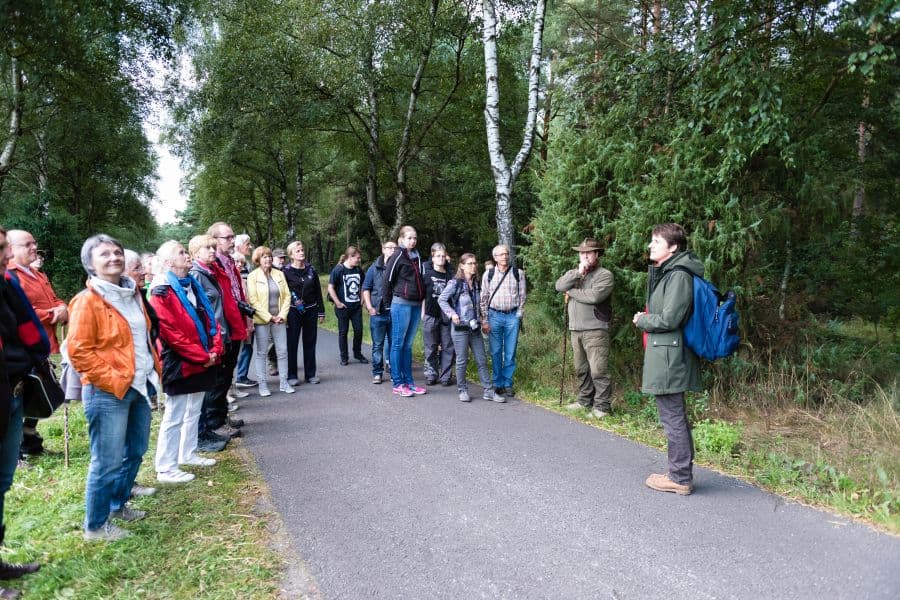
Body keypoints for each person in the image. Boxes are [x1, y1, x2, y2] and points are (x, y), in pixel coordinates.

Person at [68, 234, 162, 541]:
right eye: (105, 254)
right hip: (108, 392)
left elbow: (144, 339)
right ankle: (95, 526)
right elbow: (78, 351)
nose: (114, 258)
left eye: (117, 252)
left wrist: (150, 372)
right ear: (91, 264)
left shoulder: (132, 292)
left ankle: (118, 504)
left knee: (135, 450)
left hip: (139, 386)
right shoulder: (87, 301)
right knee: (106, 461)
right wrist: (115, 380)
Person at [632, 223, 703, 495]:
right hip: (667, 352)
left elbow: (671, 318)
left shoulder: (679, 276)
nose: (650, 246)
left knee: (673, 416)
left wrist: (643, 320)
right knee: (675, 415)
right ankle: (678, 471)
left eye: (656, 242)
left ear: (673, 247)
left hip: (670, 355)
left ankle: (680, 477)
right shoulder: (671, 273)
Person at [149, 241, 224, 484]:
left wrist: (214, 348)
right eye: (181, 252)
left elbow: (209, 318)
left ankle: (187, 453)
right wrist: (204, 356)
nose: (186, 255)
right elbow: (171, 334)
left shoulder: (192, 284)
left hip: (203, 357)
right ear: (169, 262)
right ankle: (166, 467)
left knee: (194, 410)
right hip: (179, 361)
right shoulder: (162, 291)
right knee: (175, 414)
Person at [0, 226, 47, 589]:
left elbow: (29, 331)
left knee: (1, 481)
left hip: (13, 391)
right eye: (1, 249)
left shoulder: (6, 285)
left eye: (4, 248)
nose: (5, 256)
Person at [6, 230, 68, 458]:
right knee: (16, 397)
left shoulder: (36, 274)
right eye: (27, 244)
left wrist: (62, 307)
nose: (34, 247)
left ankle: (30, 441)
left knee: (39, 392)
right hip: (20, 348)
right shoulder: (9, 276)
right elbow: (18, 311)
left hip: (43, 345)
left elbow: (54, 299)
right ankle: (14, 453)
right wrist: (52, 314)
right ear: (11, 249)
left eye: (34, 243)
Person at [199, 222, 251, 450]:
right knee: (219, 377)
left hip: (234, 322)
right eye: (228, 237)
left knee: (227, 374)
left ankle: (221, 417)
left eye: (232, 236)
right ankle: (215, 422)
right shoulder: (211, 266)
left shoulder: (229, 261)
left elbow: (236, 292)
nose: (232, 240)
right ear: (215, 240)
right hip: (223, 327)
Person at [555, 238, 615, 418]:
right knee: (581, 368)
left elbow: (594, 297)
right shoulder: (575, 273)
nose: (585, 256)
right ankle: (584, 401)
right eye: (582, 253)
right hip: (576, 329)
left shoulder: (604, 275)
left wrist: (571, 292)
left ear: (597, 254)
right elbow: (559, 286)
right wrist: (577, 273)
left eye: (589, 252)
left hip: (595, 329)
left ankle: (603, 407)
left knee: (598, 369)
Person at [439, 253, 503, 403]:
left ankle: (488, 390)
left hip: (474, 328)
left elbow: (478, 304)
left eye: (474, 263)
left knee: (481, 359)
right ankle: (462, 390)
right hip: (460, 328)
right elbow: (442, 299)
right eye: (469, 263)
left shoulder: (476, 283)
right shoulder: (455, 283)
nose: (473, 266)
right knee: (462, 360)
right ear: (462, 265)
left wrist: (482, 318)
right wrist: (452, 314)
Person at [383, 226, 426, 397]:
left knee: (407, 346)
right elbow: (387, 280)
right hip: (401, 304)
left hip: (416, 304)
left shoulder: (417, 256)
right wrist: (387, 304)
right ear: (401, 239)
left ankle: (409, 382)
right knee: (398, 344)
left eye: (414, 238)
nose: (412, 241)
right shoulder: (397, 255)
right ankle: (397, 383)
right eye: (409, 238)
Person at [480, 244, 526, 398]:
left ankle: (507, 383)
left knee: (510, 352)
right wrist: (485, 320)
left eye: (506, 254)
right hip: (494, 316)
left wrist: (519, 314)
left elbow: (522, 296)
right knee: (496, 351)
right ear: (495, 258)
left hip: (512, 316)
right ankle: (497, 382)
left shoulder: (518, 273)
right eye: (500, 255)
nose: (504, 257)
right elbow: (483, 298)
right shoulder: (488, 274)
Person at [247, 246, 293, 396]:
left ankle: (284, 382)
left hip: (280, 319)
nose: (268, 259)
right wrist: (268, 317)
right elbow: (253, 300)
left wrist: (282, 315)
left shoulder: (279, 274)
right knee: (261, 352)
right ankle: (262, 384)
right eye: (264, 257)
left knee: (282, 351)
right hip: (262, 320)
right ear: (258, 260)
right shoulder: (253, 276)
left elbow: (287, 296)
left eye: (269, 256)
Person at [283, 241, 325, 386]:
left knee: (310, 342)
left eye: (302, 250)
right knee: (292, 343)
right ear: (291, 255)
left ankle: (310, 374)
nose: (301, 252)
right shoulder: (285, 271)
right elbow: (283, 293)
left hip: (311, 310)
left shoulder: (311, 270)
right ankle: (292, 375)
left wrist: (321, 311)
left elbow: (318, 291)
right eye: (298, 251)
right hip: (293, 311)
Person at [328, 247, 367, 366]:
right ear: (350, 257)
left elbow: (363, 286)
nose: (359, 260)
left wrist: (362, 300)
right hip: (343, 308)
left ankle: (357, 353)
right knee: (343, 332)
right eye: (357, 258)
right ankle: (344, 357)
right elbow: (330, 287)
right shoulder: (338, 270)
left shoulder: (358, 270)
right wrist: (338, 303)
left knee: (359, 331)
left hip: (356, 307)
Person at [363, 240, 395, 384]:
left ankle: (395, 372)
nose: (393, 250)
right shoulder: (374, 268)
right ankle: (377, 372)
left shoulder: (398, 268)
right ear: (383, 249)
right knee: (378, 345)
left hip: (395, 312)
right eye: (390, 248)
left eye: (395, 248)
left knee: (395, 344)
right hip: (378, 312)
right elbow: (366, 288)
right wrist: (370, 307)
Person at [421, 243, 454, 386]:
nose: (441, 258)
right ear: (432, 258)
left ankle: (446, 375)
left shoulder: (451, 276)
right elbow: (422, 296)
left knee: (448, 346)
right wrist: (422, 313)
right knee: (431, 346)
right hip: (430, 314)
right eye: (438, 256)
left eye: (443, 256)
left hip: (446, 316)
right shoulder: (427, 275)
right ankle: (431, 374)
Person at [233, 249, 256, 388]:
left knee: (248, 347)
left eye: (242, 262)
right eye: (236, 261)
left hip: (246, 318)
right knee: (238, 350)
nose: (240, 265)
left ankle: (241, 376)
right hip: (236, 320)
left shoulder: (242, 279)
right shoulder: (229, 279)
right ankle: (238, 378)